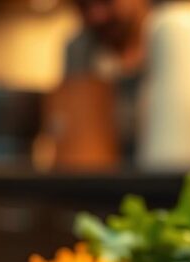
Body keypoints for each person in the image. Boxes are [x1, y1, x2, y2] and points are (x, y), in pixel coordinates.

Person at [63, 0, 151, 160]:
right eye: (83, 6)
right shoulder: (80, 49)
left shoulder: (174, 37)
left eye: (106, 2)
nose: (96, 17)